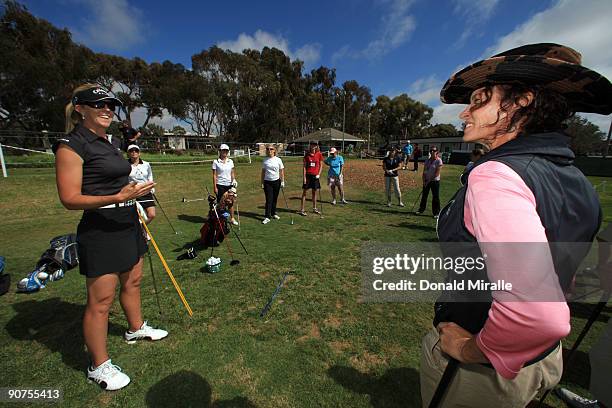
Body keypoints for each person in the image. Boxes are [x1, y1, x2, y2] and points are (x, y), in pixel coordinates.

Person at [419, 43, 609, 407]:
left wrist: (471, 348)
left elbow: (537, 315)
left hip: (482, 375)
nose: (464, 113)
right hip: (542, 361)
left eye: (479, 99)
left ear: (521, 101)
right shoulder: (575, 179)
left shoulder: (495, 175)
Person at [53, 84, 168, 391]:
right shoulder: (71, 144)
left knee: (133, 280)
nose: (107, 110)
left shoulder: (108, 141)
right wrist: (117, 196)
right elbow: (69, 197)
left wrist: (134, 195)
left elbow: (118, 174)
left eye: (111, 105)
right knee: (100, 301)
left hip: (127, 221)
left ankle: (135, 328)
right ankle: (98, 366)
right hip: (101, 227)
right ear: (80, 108)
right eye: (99, 104)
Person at [127, 144, 155, 223]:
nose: (134, 152)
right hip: (133, 193)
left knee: (151, 215)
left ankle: (141, 229)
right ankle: (137, 231)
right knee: (134, 216)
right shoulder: (125, 165)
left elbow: (150, 176)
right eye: (131, 151)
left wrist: (152, 187)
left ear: (139, 153)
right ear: (128, 153)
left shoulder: (146, 164)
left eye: (136, 150)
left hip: (146, 192)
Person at [212, 144, 238, 226]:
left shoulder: (230, 161)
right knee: (222, 203)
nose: (225, 152)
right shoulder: (216, 161)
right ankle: (220, 220)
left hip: (229, 185)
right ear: (220, 151)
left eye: (226, 151)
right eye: (223, 150)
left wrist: (234, 180)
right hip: (220, 184)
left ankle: (232, 218)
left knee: (230, 202)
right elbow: (214, 175)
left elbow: (232, 172)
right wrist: (215, 186)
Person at [260, 144, 285, 224]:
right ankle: (267, 216)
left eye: (271, 149)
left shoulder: (278, 160)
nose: (269, 150)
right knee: (269, 199)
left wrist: (283, 181)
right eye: (268, 149)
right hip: (267, 182)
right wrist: (262, 182)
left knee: (275, 198)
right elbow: (263, 172)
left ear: (274, 150)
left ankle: (273, 213)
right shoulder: (265, 160)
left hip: (277, 181)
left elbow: (281, 171)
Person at [416, 147, 443, 218]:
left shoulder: (439, 161)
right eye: (431, 150)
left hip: (435, 181)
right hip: (426, 181)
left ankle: (436, 212)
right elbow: (424, 171)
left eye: (433, 151)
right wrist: (424, 180)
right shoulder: (427, 161)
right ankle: (421, 209)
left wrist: (429, 180)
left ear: (437, 152)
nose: (431, 152)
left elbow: (437, 173)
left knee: (435, 196)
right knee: (424, 195)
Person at [299, 142, 323, 216]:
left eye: (315, 145)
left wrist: (319, 174)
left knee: (314, 192)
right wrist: (304, 178)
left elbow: (321, 165)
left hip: (315, 176)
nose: (313, 146)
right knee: (304, 192)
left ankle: (314, 208)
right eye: (312, 144)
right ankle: (302, 210)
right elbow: (304, 167)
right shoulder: (307, 155)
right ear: (310, 145)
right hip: (308, 176)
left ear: (316, 146)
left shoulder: (319, 154)